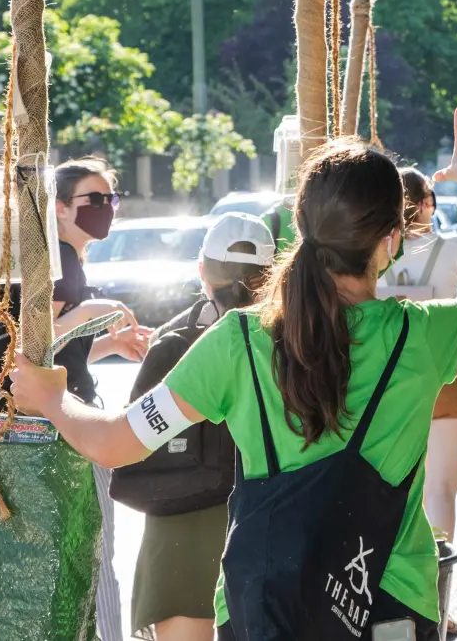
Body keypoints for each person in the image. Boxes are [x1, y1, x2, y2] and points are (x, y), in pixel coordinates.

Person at [9, 109, 457, 641]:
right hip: (389, 603)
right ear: (392, 240)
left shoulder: (238, 342)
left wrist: (52, 398)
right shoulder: (419, 335)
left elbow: (116, 442)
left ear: (300, 227)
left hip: (264, 609)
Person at [124, 213, 273, 641]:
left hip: (181, 521)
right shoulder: (301, 334)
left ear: (202, 271)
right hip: (272, 516)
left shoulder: (175, 340)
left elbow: (133, 440)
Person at [384, 166, 457, 635]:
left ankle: (388, 597)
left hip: (390, 382)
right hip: (452, 373)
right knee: (440, 493)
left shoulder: (376, 252)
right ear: (428, 203)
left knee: (393, 490)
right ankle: (436, 601)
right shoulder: (456, 248)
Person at [52, 157, 153, 641]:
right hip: (69, 425)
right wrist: (91, 311)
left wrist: (110, 343)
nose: (106, 209)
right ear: (60, 208)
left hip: (63, 419)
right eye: (93, 200)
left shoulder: (66, 259)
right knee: (96, 553)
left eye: (110, 199)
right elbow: (31, 345)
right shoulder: (60, 263)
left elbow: (63, 350)